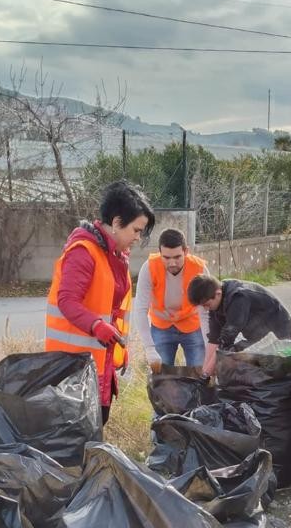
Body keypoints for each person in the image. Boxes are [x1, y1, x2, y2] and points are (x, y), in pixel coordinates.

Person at [45, 180, 155, 424]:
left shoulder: (115, 255)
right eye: (136, 230)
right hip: (74, 366)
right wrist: (97, 326)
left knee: (95, 427)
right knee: (76, 434)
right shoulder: (83, 252)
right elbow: (67, 300)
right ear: (116, 223)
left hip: (99, 362)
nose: (138, 237)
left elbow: (112, 309)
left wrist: (119, 347)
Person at [187, 275, 291, 379]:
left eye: (207, 305)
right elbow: (214, 340)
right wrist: (205, 372)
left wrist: (207, 374)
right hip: (257, 334)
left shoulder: (238, 298)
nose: (206, 309)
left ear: (218, 293)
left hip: (279, 330)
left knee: (273, 369)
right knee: (245, 363)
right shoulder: (215, 300)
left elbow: (226, 340)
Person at [134, 228, 209, 371]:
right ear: (160, 253)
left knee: (199, 374)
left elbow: (205, 312)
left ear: (186, 251)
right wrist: (149, 348)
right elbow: (140, 309)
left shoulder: (199, 269)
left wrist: (208, 344)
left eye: (177, 257)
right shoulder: (149, 268)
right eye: (166, 258)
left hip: (192, 326)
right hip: (161, 326)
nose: (172, 263)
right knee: (162, 379)